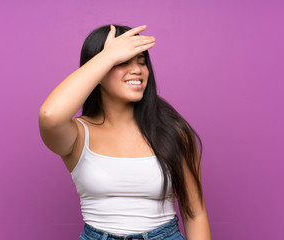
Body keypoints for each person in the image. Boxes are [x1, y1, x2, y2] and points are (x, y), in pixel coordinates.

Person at [38, 24, 211, 240]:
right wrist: (108, 56)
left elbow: (195, 214)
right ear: (98, 71)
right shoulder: (78, 135)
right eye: (122, 62)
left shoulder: (174, 131)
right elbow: (49, 115)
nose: (138, 70)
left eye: (141, 62)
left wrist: (114, 58)